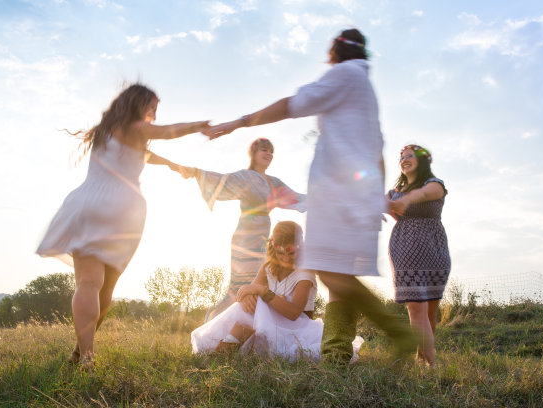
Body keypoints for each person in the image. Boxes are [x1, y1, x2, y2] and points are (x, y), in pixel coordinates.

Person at [204, 28, 417, 363]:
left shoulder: (344, 76)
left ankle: (399, 332)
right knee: (339, 277)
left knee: (330, 273)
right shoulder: (365, 88)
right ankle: (336, 353)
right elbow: (378, 148)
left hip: (337, 193)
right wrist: (377, 197)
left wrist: (241, 122)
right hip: (356, 194)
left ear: (335, 53)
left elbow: (292, 104)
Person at [36, 83, 209, 368]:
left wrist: (169, 164)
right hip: (124, 212)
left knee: (90, 285)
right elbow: (166, 132)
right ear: (138, 104)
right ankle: (83, 354)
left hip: (91, 205)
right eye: (152, 107)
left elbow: (145, 153)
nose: (154, 113)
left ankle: (83, 354)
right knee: (103, 289)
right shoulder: (135, 127)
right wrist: (197, 126)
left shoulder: (108, 130)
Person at [169, 138, 305, 322]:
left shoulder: (274, 182)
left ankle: (249, 329)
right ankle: (213, 323)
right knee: (239, 286)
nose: (268, 154)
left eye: (271, 151)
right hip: (245, 235)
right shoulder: (245, 176)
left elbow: (296, 197)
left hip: (265, 237)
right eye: (264, 150)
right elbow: (221, 181)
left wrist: (325, 197)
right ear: (253, 153)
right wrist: (196, 172)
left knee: (261, 281)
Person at [191, 221, 362, 361]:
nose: (286, 259)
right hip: (267, 325)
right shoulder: (268, 268)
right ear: (274, 248)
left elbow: (294, 312)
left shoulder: (305, 271)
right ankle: (222, 351)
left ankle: (223, 350)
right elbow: (249, 294)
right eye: (281, 254)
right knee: (247, 307)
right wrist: (246, 294)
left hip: (297, 329)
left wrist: (262, 292)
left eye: (291, 253)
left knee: (262, 303)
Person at [385, 145, 451, 367]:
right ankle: (432, 365)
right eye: (401, 157)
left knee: (430, 310)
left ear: (422, 161)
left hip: (434, 250)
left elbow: (423, 194)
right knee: (416, 307)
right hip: (406, 248)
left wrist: (407, 200)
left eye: (409, 156)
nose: (403, 159)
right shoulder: (394, 192)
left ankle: (422, 356)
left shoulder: (434, 184)